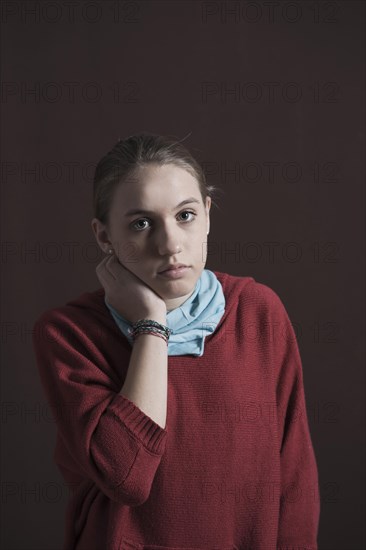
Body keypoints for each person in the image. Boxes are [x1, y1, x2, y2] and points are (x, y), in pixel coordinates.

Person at [32, 133, 320, 550]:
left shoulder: (259, 311)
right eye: (141, 223)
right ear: (104, 237)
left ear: (207, 213)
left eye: (184, 215)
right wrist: (151, 324)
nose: (169, 245)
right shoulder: (69, 333)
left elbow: (294, 477)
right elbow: (125, 476)